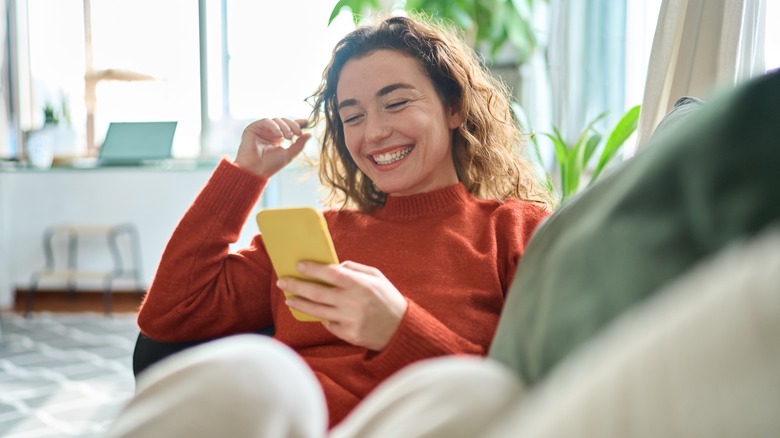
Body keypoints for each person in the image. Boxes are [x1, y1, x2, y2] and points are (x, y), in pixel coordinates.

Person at [108, 14, 551, 436]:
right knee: (261, 369)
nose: (373, 132)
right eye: (352, 116)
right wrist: (245, 175)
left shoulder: (516, 231)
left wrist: (398, 329)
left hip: (421, 424)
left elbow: (529, 393)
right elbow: (168, 316)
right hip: (296, 422)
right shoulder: (317, 238)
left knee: (483, 389)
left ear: (453, 108)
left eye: (395, 103)